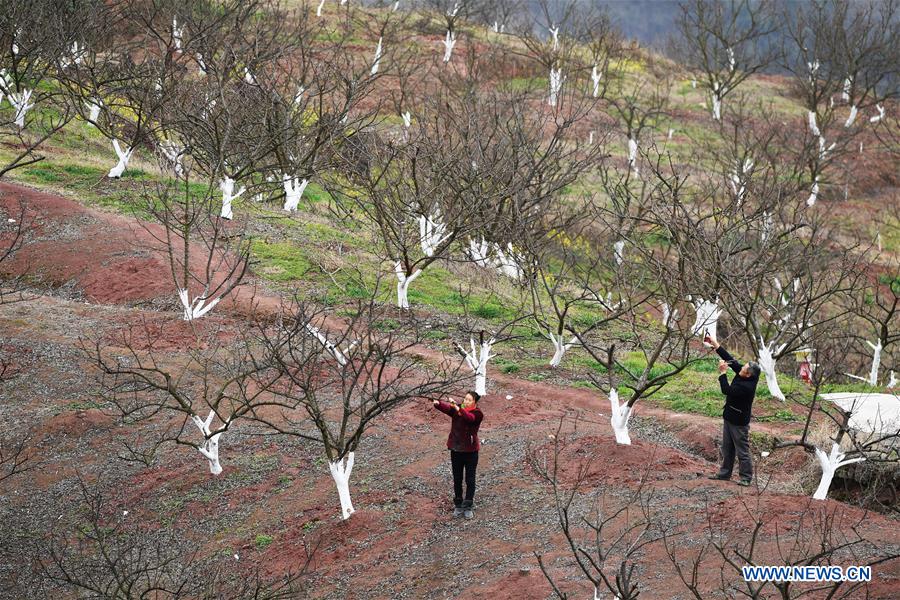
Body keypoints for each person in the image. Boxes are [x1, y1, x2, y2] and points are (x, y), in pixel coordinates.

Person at [704, 333, 761, 486]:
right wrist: (715, 344)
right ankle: (724, 474)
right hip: (729, 416)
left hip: (739, 422)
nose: (741, 367)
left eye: (744, 368)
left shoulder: (746, 387)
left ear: (748, 374)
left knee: (742, 450)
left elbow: (727, 390)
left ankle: (746, 478)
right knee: (727, 448)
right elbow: (731, 360)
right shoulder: (747, 374)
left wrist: (722, 373)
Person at [433, 391, 483, 519]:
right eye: (465, 399)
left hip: (471, 452)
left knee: (470, 480)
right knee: (457, 478)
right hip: (456, 450)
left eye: (469, 400)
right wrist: (438, 404)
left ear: (474, 402)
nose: (465, 402)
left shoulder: (477, 414)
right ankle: (458, 504)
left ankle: (468, 505)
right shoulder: (458, 409)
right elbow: (448, 409)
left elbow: (468, 418)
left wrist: (458, 408)